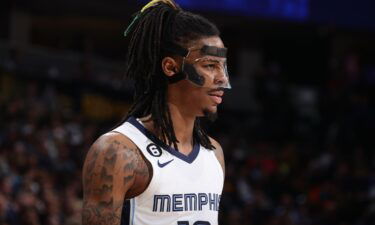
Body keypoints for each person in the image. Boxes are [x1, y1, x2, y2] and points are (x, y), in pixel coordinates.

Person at [82, 0, 231, 224]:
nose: (222, 78)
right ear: (170, 67)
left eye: (223, 67)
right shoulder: (117, 152)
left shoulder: (214, 153)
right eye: (210, 66)